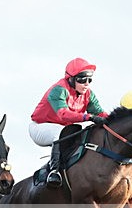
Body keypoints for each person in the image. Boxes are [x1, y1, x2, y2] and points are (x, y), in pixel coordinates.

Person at [29, 57, 108, 188]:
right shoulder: (58, 90)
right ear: (71, 79)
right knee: (60, 133)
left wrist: (118, 118)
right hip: (39, 127)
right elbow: (63, 114)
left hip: (62, 128)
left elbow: (100, 113)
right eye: (82, 79)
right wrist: (88, 117)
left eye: (89, 79)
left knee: (81, 133)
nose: (86, 83)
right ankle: (54, 172)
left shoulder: (88, 94)